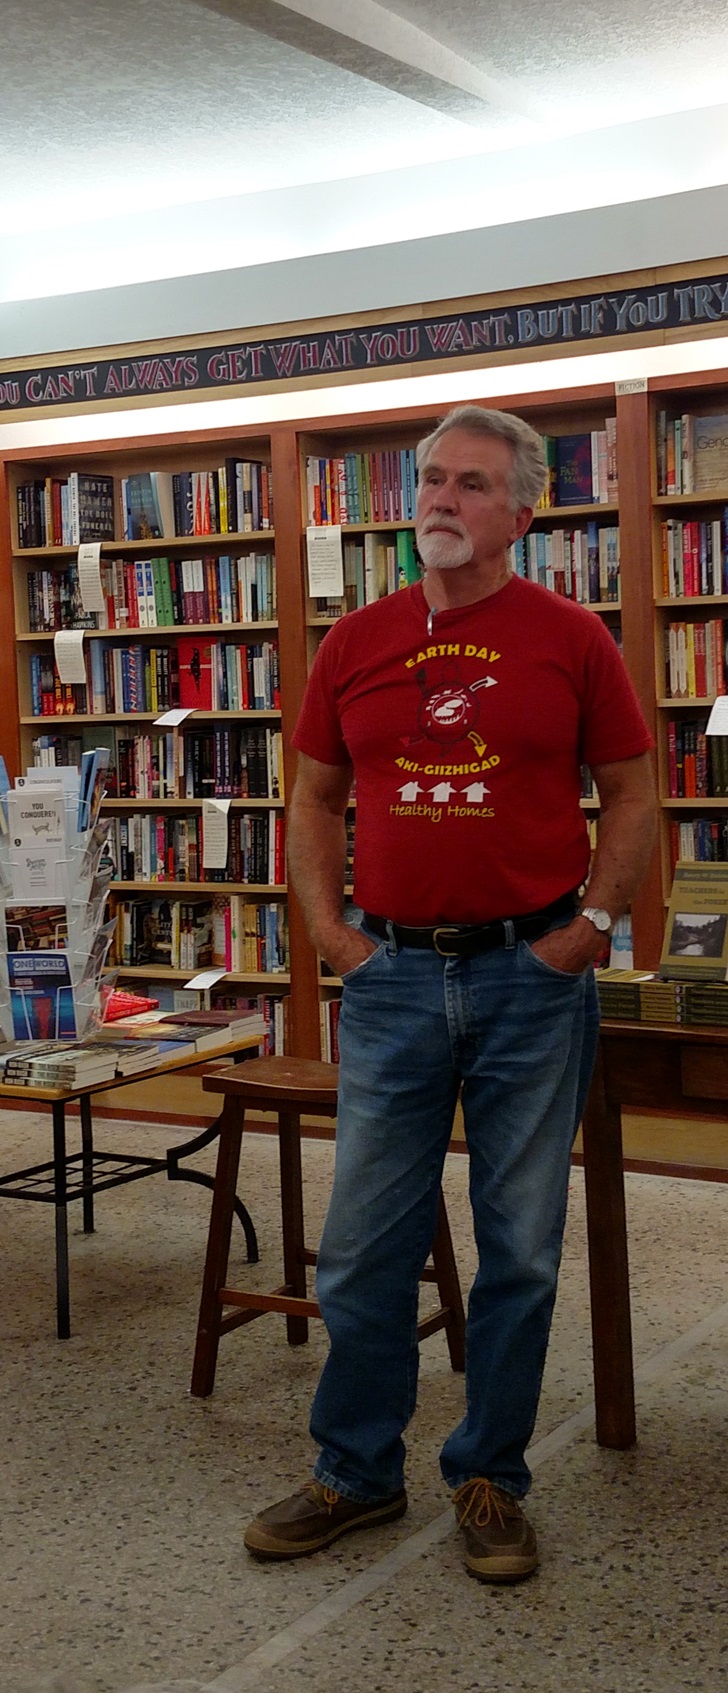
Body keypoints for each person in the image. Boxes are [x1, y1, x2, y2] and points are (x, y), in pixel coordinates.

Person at [244, 403, 657, 1582]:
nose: (439, 498)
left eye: (471, 483)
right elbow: (313, 797)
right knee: (361, 1244)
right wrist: (331, 936)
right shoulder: (354, 642)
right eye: (430, 478)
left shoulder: (570, 639)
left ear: (520, 513)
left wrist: (584, 932)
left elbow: (631, 793)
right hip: (389, 978)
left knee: (518, 1247)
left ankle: (490, 1475)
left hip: (531, 978)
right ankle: (354, 1468)